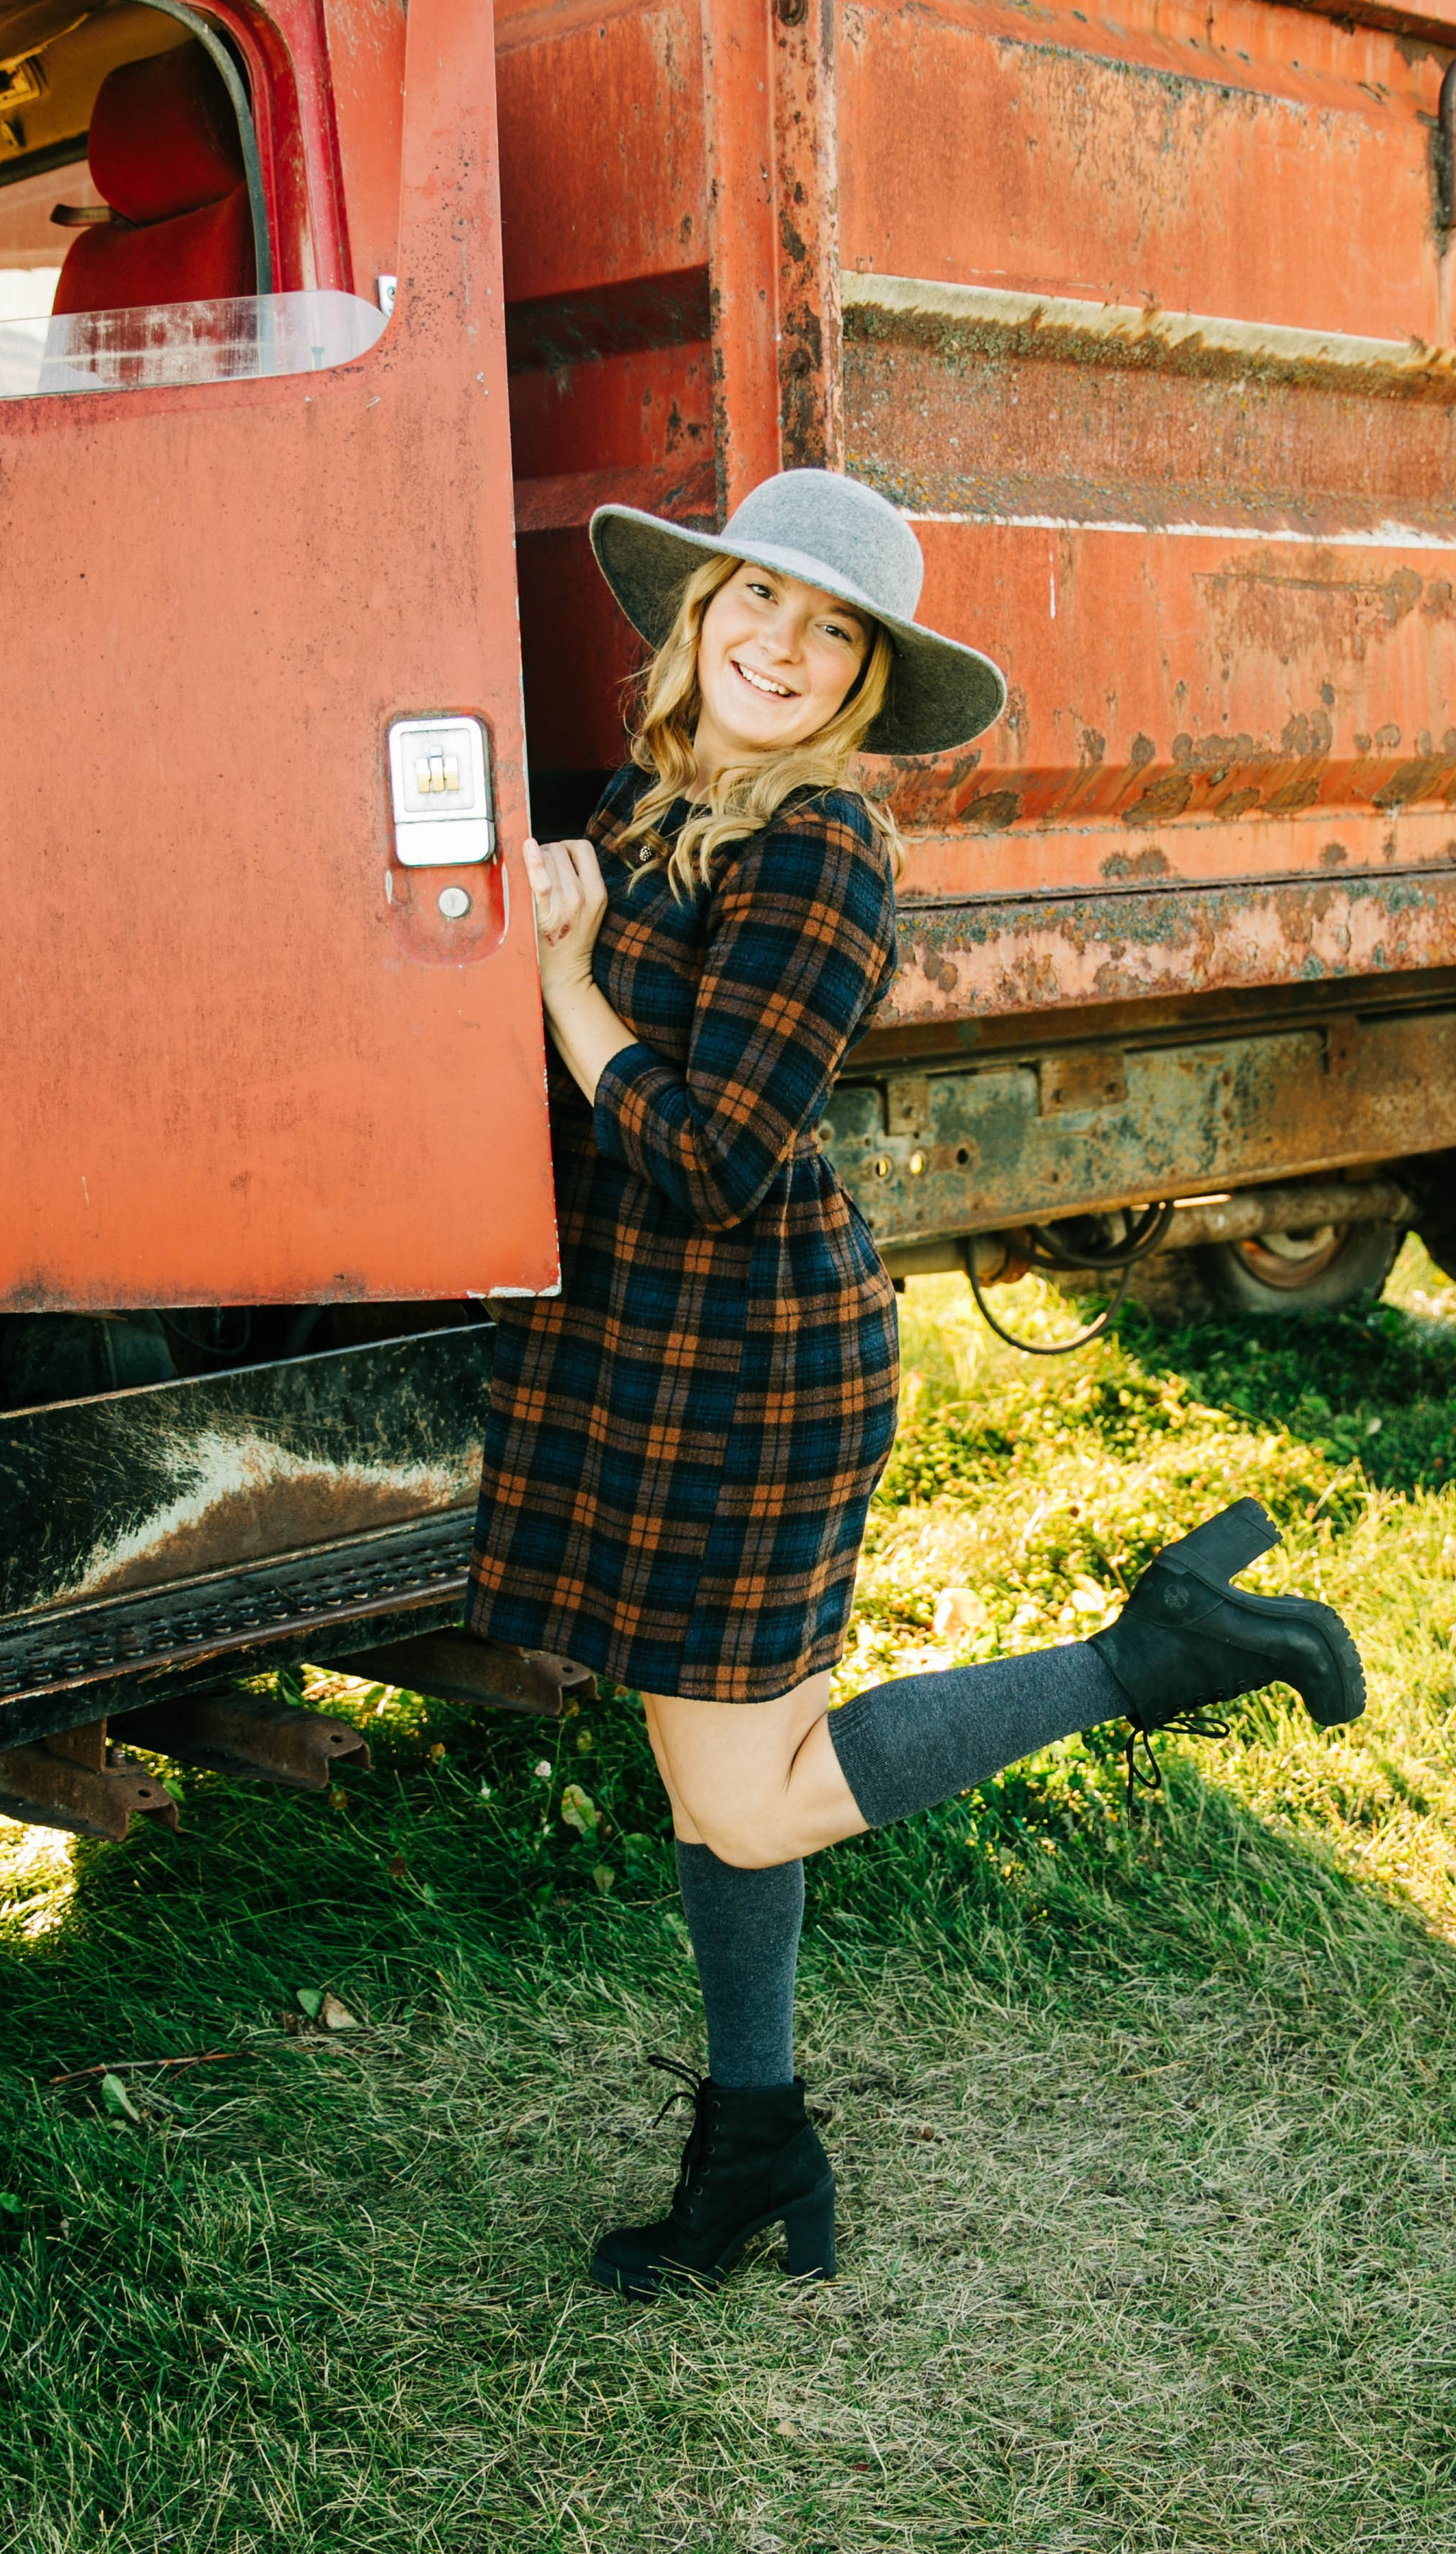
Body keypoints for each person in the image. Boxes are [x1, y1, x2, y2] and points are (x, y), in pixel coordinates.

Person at [466, 469, 1366, 2301]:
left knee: (754, 1800)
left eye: (832, 632)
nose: (780, 645)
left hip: (747, 1365)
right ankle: (752, 2148)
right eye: (757, 599)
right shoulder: (651, 807)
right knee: (710, 1788)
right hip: (642, 1351)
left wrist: (560, 980)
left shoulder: (818, 853)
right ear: (699, 609)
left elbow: (715, 1152)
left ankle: (1151, 1655)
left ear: (863, 683)